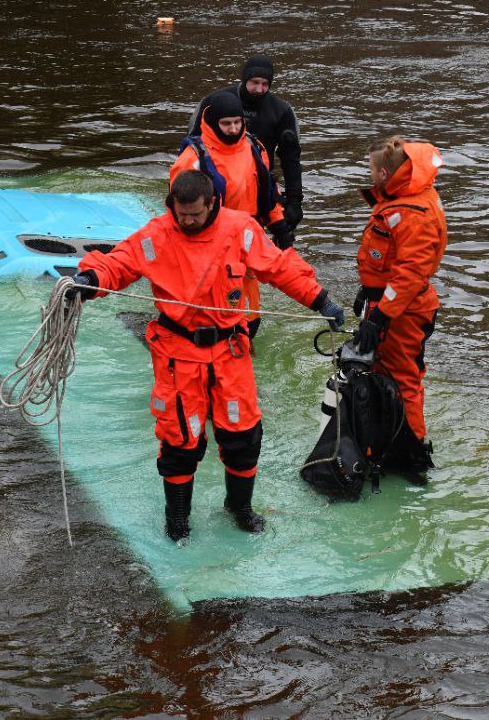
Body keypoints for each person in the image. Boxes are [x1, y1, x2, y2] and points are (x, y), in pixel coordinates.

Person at [68, 170, 346, 542]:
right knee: (179, 441)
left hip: (229, 353)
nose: (187, 221)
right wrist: (89, 281)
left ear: (212, 203)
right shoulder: (156, 235)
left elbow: (280, 268)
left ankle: (240, 508)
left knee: (244, 436)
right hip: (178, 356)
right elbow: (117, 264)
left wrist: (320, 299)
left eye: (194, 215)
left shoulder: (241, 231)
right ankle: (178, 519)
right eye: (181, 214)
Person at [352, 135, 447, 445]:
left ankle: (412, 448)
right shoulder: (405, 197)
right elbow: (391, 262)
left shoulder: (410, 212)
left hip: (403, 311)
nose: (368, 172)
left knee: (403, 379)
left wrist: (380, 316)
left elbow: (410, 274)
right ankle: (388, 438)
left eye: (370, 167)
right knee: (386, 372)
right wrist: (368, 293)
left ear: (382, 174)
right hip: (392, 305)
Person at [173, 90, 291, 339]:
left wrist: (280, 225)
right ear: (213, 123)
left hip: (248, 242)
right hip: (208, 246)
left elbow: (268, 191)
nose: (233, 128)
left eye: (237, 122)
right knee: (213, 312)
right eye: (226, 124)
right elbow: (179, 212)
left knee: (249, 317)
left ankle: (244, 346)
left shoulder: (254, 148)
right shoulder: (193, 159)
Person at [188, 55, 305, 235]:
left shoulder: (281, 111)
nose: (259, 89)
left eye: (265, 84)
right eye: (254, 82)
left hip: (258, 185)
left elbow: (291, 159)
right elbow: (193, 146)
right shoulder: (215, 102)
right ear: (244, 79)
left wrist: (295, 202)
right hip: (216, 183)